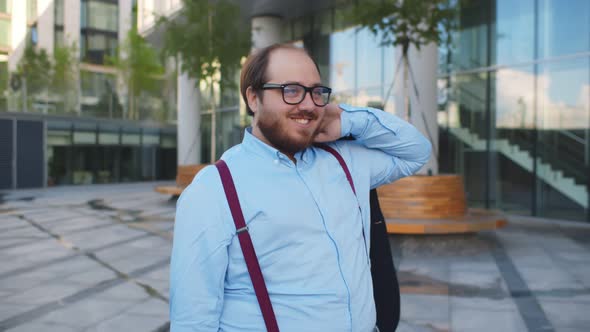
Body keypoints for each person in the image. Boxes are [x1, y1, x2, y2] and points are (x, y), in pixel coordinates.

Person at [169, 43, 431, 331]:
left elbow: (416, 151)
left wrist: (346, 120)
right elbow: (193, 320)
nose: (308, 105)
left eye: (316, 92)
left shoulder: (344, 160)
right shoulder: (215, 189)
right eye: (290, 90)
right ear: (253, 98)